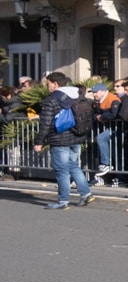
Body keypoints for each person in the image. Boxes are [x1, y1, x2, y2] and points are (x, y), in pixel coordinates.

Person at [33, 72, 95, 208]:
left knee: (61, 170)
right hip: (76, 136)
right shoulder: (77, 95)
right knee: (73, 165)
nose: (47, 87)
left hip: (59, 138)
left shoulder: (52, 99)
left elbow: (46, 122)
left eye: (48, 84)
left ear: (55, 84)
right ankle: (86, 194)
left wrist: (39, 142)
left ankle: (63, 201)